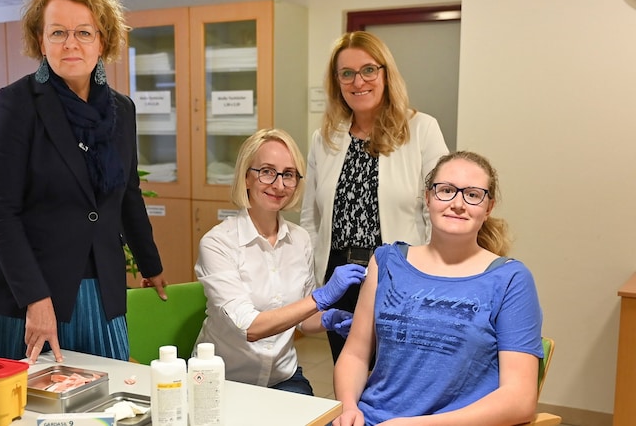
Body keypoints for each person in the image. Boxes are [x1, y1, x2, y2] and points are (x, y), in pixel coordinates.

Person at [0, 0, 167, 364]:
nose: (71, 44)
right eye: (58, 32)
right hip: (27, 293)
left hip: (100, 286)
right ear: (40, 40)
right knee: (28, 413)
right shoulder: (17, 104)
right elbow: (0, 210)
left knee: (109, 404)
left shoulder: (121, 109)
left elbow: (128, 193)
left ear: (103, 39)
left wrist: (151, 263)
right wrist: (35, 297)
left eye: (83, 32)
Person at [333, 151, 544, 426]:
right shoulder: (386, 262)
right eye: (446, 190)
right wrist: (348, 407)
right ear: (428, 197)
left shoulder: (510, 279)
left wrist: (411, 425)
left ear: (489, 207)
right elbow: (355, 355)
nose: (458, 204)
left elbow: (520, 399)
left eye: (472, 194)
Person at [300, 31, 449, 362]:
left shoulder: (421, 129)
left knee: (397, 376)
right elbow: (311, 218)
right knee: (348, 372)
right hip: (339, 277)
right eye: (347, 73)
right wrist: (315, 282)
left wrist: (429, 279)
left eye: (369, 70)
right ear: (337, 81)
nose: (358, 81)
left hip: (398, 276)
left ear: (385, 74)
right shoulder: (324, 138)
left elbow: (438, 212)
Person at [193, 128, 366, 395]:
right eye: (266, 171)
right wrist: (321, 298)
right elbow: (249, 327)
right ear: (246, 178)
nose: (279, 184)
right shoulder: (218, 243)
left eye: (288, 174)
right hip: (222, 381)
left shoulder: (300, 240)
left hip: (283, 377)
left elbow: (302, 321)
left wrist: (328, 318)